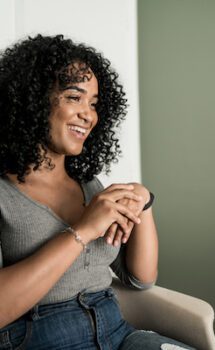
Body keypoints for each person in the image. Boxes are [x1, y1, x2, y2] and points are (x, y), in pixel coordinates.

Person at [0, 34, 194, 350]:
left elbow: (140, 279)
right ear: (31, 100)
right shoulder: (4, 196)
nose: (88, 115)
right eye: (74, 97)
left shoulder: (89, 185)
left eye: (93, 103)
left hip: (119, 333)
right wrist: (82, 230)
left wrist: (143, 202)